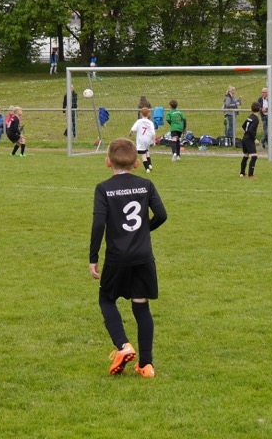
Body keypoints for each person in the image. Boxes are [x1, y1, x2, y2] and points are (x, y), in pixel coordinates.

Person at [88, 138, 167, 378]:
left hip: (117, 256)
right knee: (141, 306)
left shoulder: (103, 188)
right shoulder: (146, 184)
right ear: (136, 164)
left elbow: (99, 223)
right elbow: (162, 215)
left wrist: (93, 257)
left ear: (107, 162)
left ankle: (123, 346)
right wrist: (143, 230)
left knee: (106, 299)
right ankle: (146, 365)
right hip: (143, 255)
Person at [128, 107, 156, 172]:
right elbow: (153, 133)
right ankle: (150, 165)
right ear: (148, 114)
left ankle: (147, 169)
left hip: (141, 140)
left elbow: (133, 129)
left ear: (141, 114)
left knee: (143, 154)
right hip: (148, 139)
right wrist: (154, 141)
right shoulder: (150, 122)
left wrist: (130, 133)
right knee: (147, 151)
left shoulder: (139, 121)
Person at [240, 102, 260, 178]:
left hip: (245, 138)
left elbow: (243, 126)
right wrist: (254, 139)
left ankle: (242, 173)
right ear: (259, 109)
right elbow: (251, 130)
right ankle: (251, 175)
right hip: (249, 139)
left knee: (246, 155)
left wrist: (247, 132)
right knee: (254, 156)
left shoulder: (250, 117)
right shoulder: (256, 119)